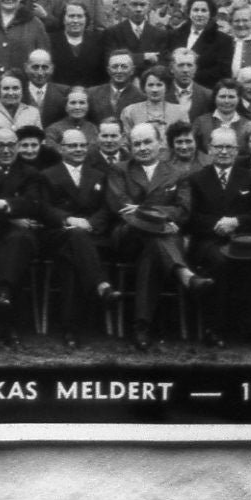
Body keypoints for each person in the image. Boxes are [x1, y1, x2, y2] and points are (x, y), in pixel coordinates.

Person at [106, 123, 210, 351]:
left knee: (153, 248)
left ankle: (141, 327)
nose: (143, 148)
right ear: (130, 147)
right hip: (128, 238)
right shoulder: (119, 170)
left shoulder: (178, 173)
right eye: (137, 144)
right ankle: (183, 273)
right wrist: (161, 219)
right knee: (160, 236)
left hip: (157, 242)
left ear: (160, 143)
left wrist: (143, 209)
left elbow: (183, 211)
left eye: (147, 142)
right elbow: (121, 207)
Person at [186, 126, 251, 348]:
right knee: (220, 261)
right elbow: (191, 217)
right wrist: (217, 226)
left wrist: (237, 222)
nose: (223, 152)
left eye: (229, 147)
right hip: (209, 240)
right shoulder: (196, 179)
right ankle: (214, 328)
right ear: (209, 149)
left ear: (237, 150)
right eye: (218, 147)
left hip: (243, 239)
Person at [38, 127, 121, 347]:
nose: (78, 149)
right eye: (72, 145)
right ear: (61, 149)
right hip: (58, 234)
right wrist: (69, 219)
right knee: (74, 238)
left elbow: (106, 208)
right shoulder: (47, 175)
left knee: (72, 259)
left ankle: (70, 330)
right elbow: (44, 208)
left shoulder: (99, 175)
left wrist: (91, 224)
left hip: (91, 236)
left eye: (82, 145)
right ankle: (101, 284)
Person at [0, 126, 49, 348]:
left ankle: (3, 295)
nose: (6, 150)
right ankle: (7, 318)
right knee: (5, 248)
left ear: (17, 146)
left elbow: (34, 204)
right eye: (0, 145)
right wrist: (12, 216)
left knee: (17, 242)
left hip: (21, 237)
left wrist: (1, 203)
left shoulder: (30, 173)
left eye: (11, 145)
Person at [102, 0, 172, 74]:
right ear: (126, 7)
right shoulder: (113, 32)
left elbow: (163, 61)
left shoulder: (159, 34)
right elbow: (110, 59)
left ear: (149, 7)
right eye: (134, 5)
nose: (138, 9)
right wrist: (143, 57)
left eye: (142, 5)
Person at [174, 0, 234, 87]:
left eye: (204, 10)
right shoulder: (175, 35)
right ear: (189, 13)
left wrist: (191, 75)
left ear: (210, 14)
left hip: (205, 89)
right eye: (195, 10)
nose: (199, 14)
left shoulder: (224, 40)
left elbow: (222, 71)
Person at [49, 1, 107, 88]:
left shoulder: (99, 40)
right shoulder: (50, 40)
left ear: (86, 19)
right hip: (59, 92)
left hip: (91, 92)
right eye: (71, 16)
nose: (75, 20)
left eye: (79, 16)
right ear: (63, 19)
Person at [122, 64, 191, 138]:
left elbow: (185, 138)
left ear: (166, 87)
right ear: (144, 87)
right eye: (150, 85)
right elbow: (127, 140)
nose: (154, 90)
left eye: (159, 85)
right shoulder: (130, 112)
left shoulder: (180, 112)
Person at [189, 78, 248, 156]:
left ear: (239, 99)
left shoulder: (247, 125)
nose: (226, 101)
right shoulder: (200, 122)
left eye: (231, 97)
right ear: (215, 98)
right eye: (222, 97)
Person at [86, 49, 146, 124]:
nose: (119, 71)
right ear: (108, 70)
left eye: (124, 67)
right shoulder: (92, 94)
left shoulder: (141, 97)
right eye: (114, 67)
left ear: (132, 70)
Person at [0, 71, 42, 135]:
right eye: (6, 88)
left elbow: (40, 139)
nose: (11, 93)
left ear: (22, 90)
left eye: (15, 88)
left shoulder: (33, 112)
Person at [20, 49, 70, 125]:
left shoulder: (64, 92)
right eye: (35, 67)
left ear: (52, 68)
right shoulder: (18, 92)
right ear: (26, 68)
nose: (40, 73)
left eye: (45, 67)